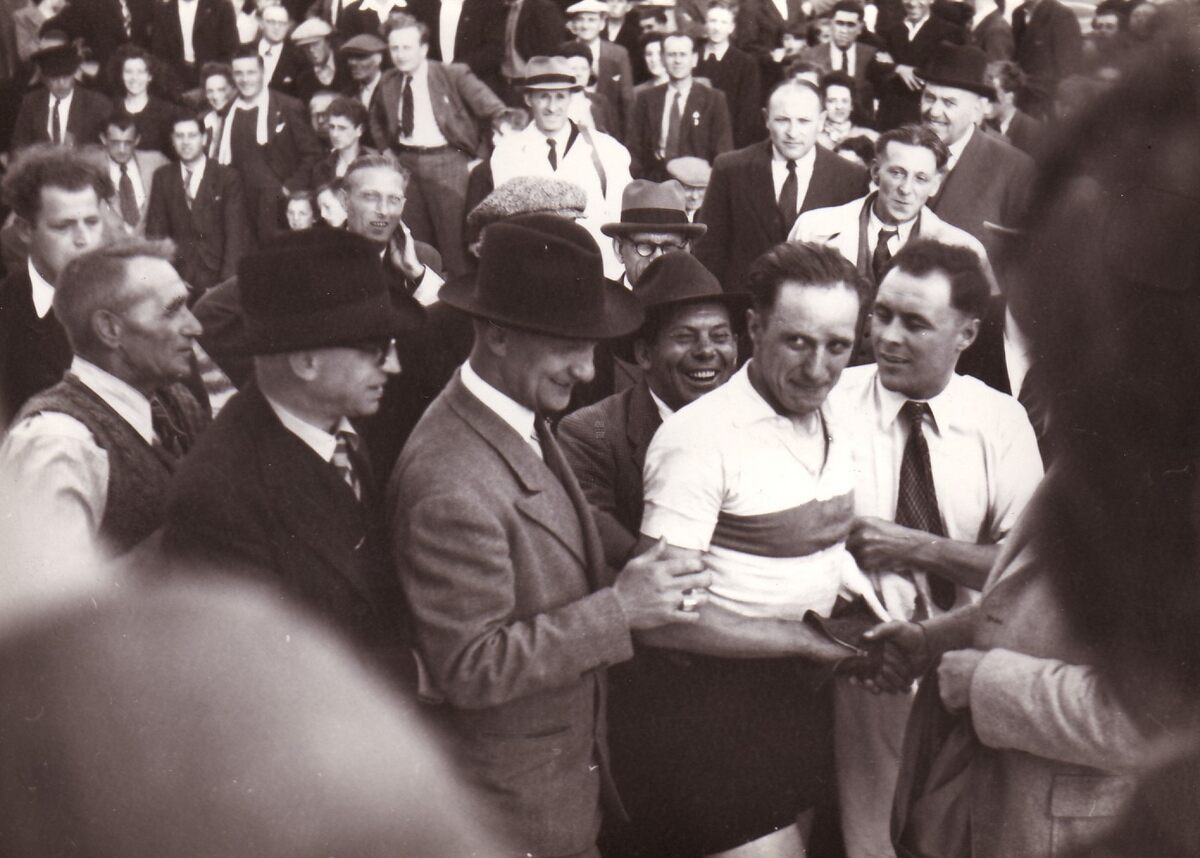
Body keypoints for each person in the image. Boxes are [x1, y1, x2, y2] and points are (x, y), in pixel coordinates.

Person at [389, 213, 712, 858]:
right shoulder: (450, 481)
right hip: (509, 817)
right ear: (497, 334)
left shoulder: (518, 417)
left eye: (591, 346)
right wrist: (620, 609)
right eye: (569, 344)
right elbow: (469, 667)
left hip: (558, 791)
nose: (587, 370)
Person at [627, 241, 887, 858]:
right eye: (797, 341)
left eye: (837, 346)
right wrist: (809, 642)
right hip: (715, 713)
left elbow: (819, 552)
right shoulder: (698, 437)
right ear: (754, 328)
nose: (818, 368)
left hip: (803, 702)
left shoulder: (839, 413)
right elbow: (657, 618)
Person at [827, 238, 1043, 858]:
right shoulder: (830, 403)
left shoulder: (999, 420)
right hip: (865, 672)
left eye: (915, 323)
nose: (887, 337)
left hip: (968, 672)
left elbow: (1026, 574)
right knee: (869, 841)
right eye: (881, 314)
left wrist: (915, 546)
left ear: (966, 334)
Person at [164, 228, 425, 686]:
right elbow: (259, 676)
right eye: (376, 350)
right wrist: (416, 673)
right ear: (306, 362)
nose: (394, 365)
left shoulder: (342, 424)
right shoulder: (217, 496)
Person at [0, 239, 208, 561]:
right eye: (171, 311)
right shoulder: (58, 444)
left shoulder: (176, 401)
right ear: (110, 329)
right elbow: (48, 591)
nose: (195, 327)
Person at [559, 250, 741, 558]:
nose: (706, 351)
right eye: (685, 337)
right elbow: (597, 535)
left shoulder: (762, 423)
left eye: (720, 337)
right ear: (644, 354)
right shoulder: (592, 432)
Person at [368, 14, 506, 280]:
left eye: (407, 47)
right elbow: (375, 119)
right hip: (406, 165)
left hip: (448, 162)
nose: (400, 55)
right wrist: (387, 151)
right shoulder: (389, 80)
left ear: (423, 48)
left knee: (455, 247)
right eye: (394, 48)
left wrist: (481, 158)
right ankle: (425, 298)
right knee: (415, 243)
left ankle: (461, 301)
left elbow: (497, 112)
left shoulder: (452, 74)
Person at [697, 79, 868, 291]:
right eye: (782, 120)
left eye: (804, 121)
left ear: (822, 120)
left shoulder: (851, 177)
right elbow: (709, 251)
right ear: (766, 119)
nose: (792, 132)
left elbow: (854, 261)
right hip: (744, 302)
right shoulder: (730, 168)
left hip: (817, 304)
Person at [491, 55, 633, 279]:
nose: (552, 107)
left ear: (570, 98)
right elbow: (509, 224)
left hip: (598, 273)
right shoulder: (507, 154)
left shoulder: (607, 149)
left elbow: (621, 217)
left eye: (560, 96)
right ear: (528, 98)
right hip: (537, 274)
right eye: (543, 97)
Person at [0, 146, 111, 426]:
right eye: (63, 226)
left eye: (92, 222)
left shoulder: (134, 298)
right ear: (25, 230)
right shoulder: (7, 306)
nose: (83, 239)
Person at [918, 42, 1034, 264]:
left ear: (977, 110)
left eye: (949, 103)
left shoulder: (1014, 169)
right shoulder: (900, 151)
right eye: (929, 98)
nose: (934, 111)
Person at [216, 45, 323, 245]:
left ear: (263, 73)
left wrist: (288, 188)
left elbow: (313, 154)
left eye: (251, 72)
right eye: (239, 73)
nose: (245, 79)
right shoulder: (229, 110)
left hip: (275, 202)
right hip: (241, 203)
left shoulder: (288, 106)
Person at [145, 112, 248, 297]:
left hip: (218, 277)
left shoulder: (227, 178)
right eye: (179, 136)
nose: (185, 142)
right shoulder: (162, 177)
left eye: (192, 135)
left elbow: (235, 236)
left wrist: (224, 286)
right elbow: (156, 234)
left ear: (204, 139)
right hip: (178, 278)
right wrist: (170, 278)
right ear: (172, 140)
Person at [628, 31, 734, 181]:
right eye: (671, 55)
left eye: (683, 55)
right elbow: (634, 149)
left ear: (694, 59)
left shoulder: (714, 100)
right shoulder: (646, 98)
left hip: (698, 185)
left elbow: (723, 153)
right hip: (655, 184)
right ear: (663, 59)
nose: (677, 61)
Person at [872, 0, 965, 131]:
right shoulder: (891, 31)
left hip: (924, 114)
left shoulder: (948, 32)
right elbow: (874, 68)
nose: (912, 3)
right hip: (890, 114)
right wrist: (898, 68)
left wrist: (896, 65)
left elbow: (943, 72)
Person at [11, 43, 113, 154]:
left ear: (74, 74)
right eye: (54, 79)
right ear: (44, 79)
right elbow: (19, 145)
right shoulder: (31, 102)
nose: (61, 83)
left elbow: (109, 146)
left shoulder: (97, 104)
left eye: (66, 77)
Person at [696, 1, 764, 148]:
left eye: (723, 22)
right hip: (696, 139)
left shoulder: (745, 63)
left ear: (731, 27)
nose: (717, 28)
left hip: (731, 140)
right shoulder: (693, 58)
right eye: (713, 21)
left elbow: (748, 112)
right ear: (705, 24)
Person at [799, 0, 878, 123]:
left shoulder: (869, 55)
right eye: (839, 23)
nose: (844, 30)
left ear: (860, 28)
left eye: (850, 25)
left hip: (860, 125)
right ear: (831, 24)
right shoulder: (811, 56)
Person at [566, 0, 635, 140]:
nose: (585, 25)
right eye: (580, 20)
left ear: (602, 24)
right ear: (573, 25)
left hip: (608, 128)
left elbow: (627, 99)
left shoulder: (618, 54)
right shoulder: (564, 52)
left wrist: (627, 140)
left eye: (591, 20)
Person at [406, 0, 506, 94]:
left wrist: (452, 72)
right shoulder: (421, 4)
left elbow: (494, 50)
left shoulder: (489, 4)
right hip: (432, 88)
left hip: (476, 87)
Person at [95, 112, 169, 236]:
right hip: (111, 244)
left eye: (128, 143)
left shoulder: (156, 162)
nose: (122, 150)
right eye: (115, 142)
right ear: (103, 139)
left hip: (151, 243)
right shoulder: (93, 168)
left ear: (137, 140)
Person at [1011, 0, 1082, 117]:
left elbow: (1068, 69)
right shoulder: (1018, 14)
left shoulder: (1062, 16)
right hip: (1021, 100)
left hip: (1046, 103)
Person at [106, 45, 179, 156]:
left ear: (150, 76)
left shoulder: (167, 113)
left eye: (140, 72)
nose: (134, 78)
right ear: (121, 75)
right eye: (128, 72)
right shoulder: (109, 109)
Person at [150, 0, 239, 87]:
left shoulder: (221, 7)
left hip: (213, 81)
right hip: (176, 83)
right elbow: (159, 53)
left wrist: (215, 81)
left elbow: (230, 50)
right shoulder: (163, 10)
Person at [312, 95, 375, 187]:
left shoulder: (373, 165)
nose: (335, 134)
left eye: (342, 128)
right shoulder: (321, 168)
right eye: (332, 127)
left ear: (359, 130)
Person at [984, 59, 1041, 155]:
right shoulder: (983, 126)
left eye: (991, 95)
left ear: (1009, 97)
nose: (984, 101)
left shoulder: (1034, 132)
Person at [290, 17, 352, 102]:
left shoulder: (348, 66)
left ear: (328, 41)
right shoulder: (304, 79)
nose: (311, 50)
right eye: (306, 47)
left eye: (315, 44)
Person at [816, 70, 878, 149]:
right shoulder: (814, 138)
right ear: (824, 104)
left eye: (844, 101)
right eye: (832, 101)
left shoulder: (870, 137)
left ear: (852, 105)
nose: (839, 107)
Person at [255, 1, 304, 95]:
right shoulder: (243, 50)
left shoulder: (298, 57)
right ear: (261, 23)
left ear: (288, 26)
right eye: (271, 22)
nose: (277, 27)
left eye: (282, 23)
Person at [341, 33, 386, 123]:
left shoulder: (391, 89)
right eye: (350, 57)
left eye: (360, 57)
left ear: (378, 59)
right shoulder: (347, 94)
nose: (352, 62)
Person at [201, 61, 235, 158]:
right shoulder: (207, 120)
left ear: (233, 88)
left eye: (221, 90)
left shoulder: (243, 119)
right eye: (210, 91)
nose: (215, 96)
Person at [665, 154, 711, 220]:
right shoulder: (666, 216)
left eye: (701, 189)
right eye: (688, 189)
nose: (694, 197)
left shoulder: (712, 216)